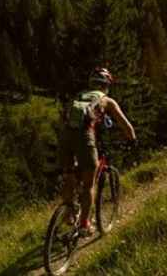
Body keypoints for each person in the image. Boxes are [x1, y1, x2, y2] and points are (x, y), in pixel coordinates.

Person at [58, 67, 136, 236]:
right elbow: (126, 125)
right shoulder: (106, 100)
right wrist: (132, 140)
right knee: (89, 184)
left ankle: (68, 212)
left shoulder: (78, 96)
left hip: (64, 136)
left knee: (69, 175)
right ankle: (84, 225)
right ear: (106, 85)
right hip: (84, 137)